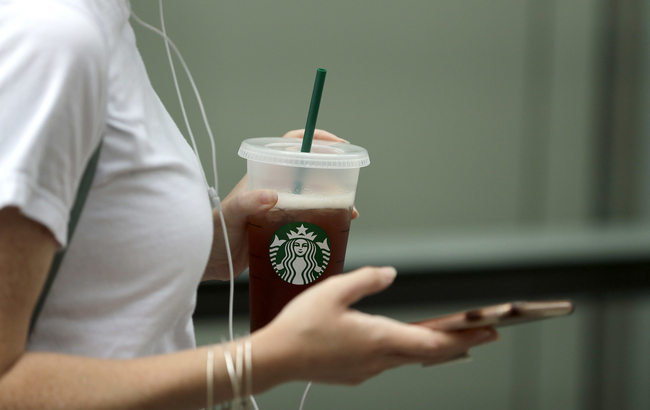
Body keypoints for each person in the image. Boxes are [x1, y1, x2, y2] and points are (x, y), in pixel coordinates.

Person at [0, 0, 499, 408]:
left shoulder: (103, 29)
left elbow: (79, 280)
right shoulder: (52, 38)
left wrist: (213, 245)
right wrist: (265, 361)